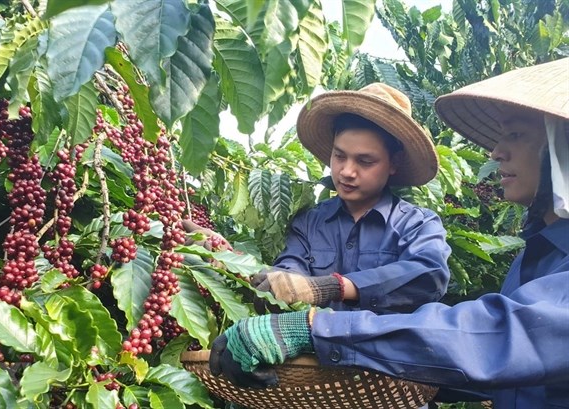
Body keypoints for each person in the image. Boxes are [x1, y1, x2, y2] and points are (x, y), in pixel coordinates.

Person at [209, 58, 569, 409]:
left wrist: (324, 304)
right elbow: (509, 372)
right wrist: (229, 263)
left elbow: (465, 308)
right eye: (339, 157)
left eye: (517, 135)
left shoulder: (417, 224)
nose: (496, 152)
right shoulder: (536, 254)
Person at [251, 83, 451, 314]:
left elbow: (430, 274)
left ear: (393, 163)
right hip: (311, 349)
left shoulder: (417, 224)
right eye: (339, 156)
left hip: (378, 350)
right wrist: (278, 281)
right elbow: (290, 266)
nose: (347, 171)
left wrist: (333, 287)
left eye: (365, 161)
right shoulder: (308, 223)